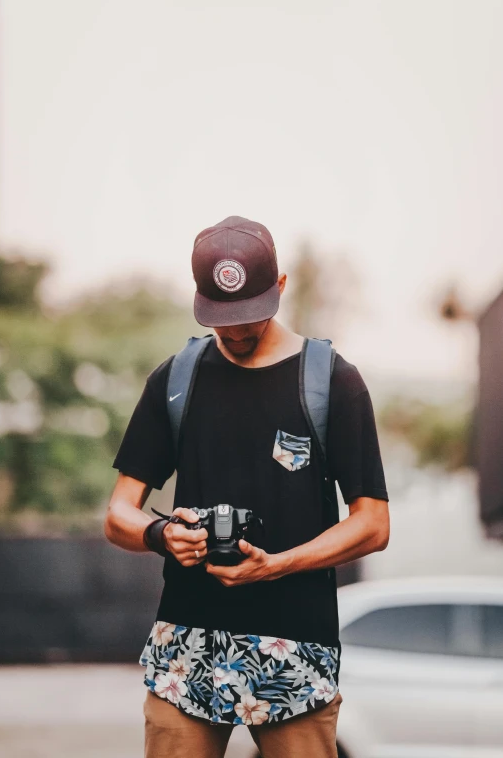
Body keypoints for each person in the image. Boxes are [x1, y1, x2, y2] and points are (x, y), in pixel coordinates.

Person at [104, 215, 390, 758]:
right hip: (185, 651)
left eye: (249, 319)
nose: (235, 333)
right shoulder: (176, 379)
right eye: (222, 319)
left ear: (279, 288)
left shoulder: (331, 380)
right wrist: (163, 534)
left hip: (295, 651)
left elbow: (373, 524)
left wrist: (275, 564)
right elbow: (119, 513)